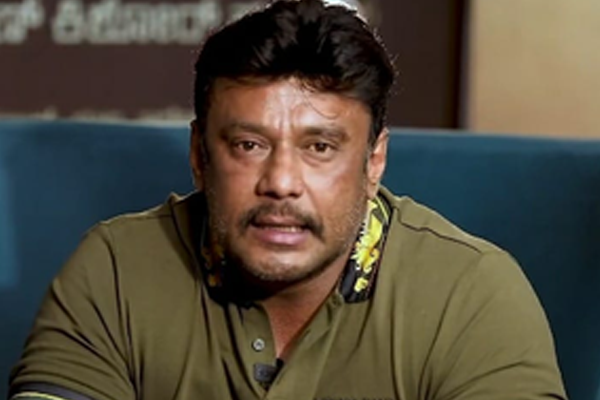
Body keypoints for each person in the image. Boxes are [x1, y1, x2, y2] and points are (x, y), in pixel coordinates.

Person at [9, 0, 567, 399]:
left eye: (319, 147)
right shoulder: (115, 269)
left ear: (374, 162)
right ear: (200, 155)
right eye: (249, 145)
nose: (281, 181)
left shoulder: (471, 294)